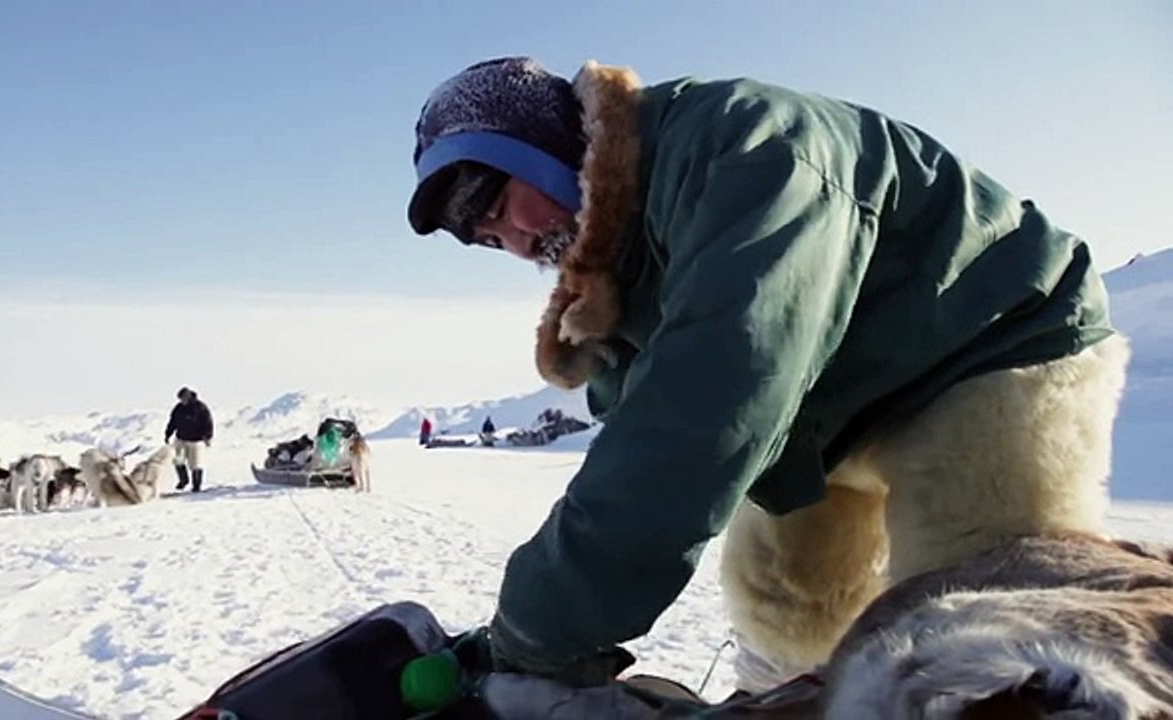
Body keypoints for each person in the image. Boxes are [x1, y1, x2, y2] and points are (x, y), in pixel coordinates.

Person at [406, 57, 1130, 691]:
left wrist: (543, 619)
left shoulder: (745, 149)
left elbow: (706, 406)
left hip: (987, 347)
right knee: (785, 603)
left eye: (502, 207)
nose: (516, 241)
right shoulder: (613, 257)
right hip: (834, 407)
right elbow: (638, 423)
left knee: (975, 629)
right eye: (491, 239)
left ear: (544, 149)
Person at [164, 386, 214, 492]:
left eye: (183, 399)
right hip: (181, 439)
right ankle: (183, 480)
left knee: (196, 464)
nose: (182, 401)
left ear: (189, 397)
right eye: (180, 399)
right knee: (178, 460)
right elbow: (173, 422)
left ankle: (196, 485)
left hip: (196, 440)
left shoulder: (200, 407)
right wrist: (168, 434)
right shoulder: (178, 408)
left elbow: (208, 422)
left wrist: (207, 436)